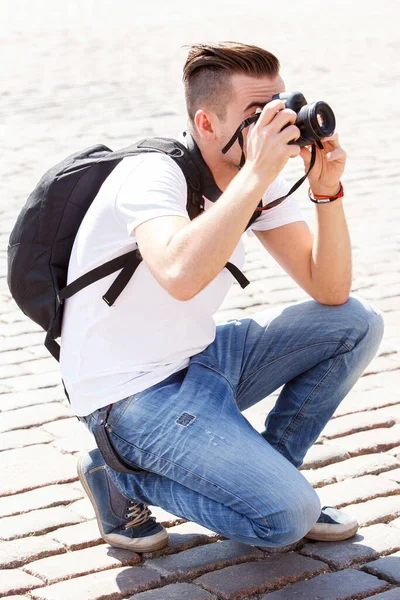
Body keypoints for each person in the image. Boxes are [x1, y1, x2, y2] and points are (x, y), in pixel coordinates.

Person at [60, 42, 384, 552]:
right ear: (207, 124)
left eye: (279, 107)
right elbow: (180, 274)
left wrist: (327, 191)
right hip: (129, 396)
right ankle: (118, 472)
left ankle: (270, 479)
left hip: (198, 359)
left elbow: (331, 289)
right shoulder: (152, 174)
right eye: (257, 114)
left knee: (356, 321)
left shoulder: (254, 180)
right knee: (285, 523)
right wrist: (256, 174)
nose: (276, 124)